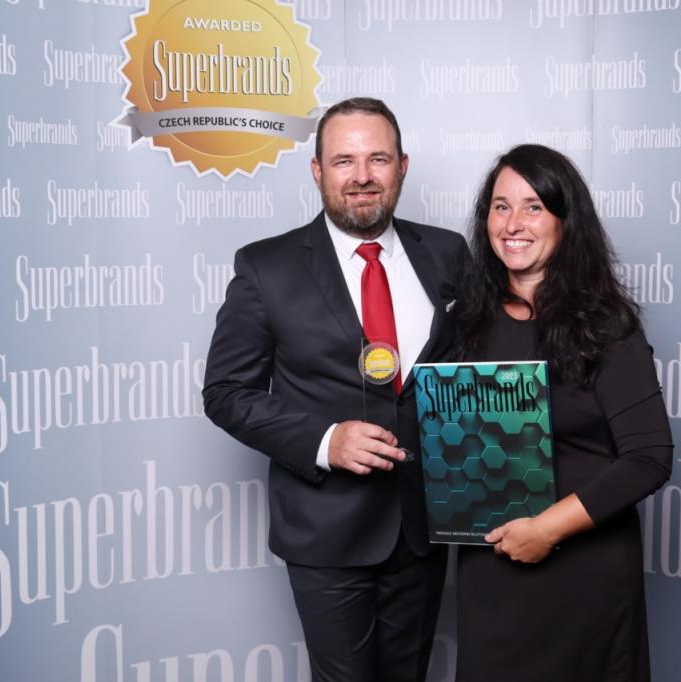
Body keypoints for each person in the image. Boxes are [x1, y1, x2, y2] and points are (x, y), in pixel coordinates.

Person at [202, 97, 469, 682]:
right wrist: (327, 440)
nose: (362, 176)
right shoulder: (266, 267)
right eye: (344, 161)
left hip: (424, 525)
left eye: (378, 159)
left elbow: (472, 369)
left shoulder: (448, 253)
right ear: (318, 170)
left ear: (402, 166)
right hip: (325, 529)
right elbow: (224, 392)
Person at [452, 144, 674, 682]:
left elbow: (649, 456)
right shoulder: (464, 322)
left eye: (533, 207)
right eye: (501, 207)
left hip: (584, 578)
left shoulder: (606, 325)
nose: (513, 224)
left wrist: (547, 530)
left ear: (565, 221)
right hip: (490, 573)